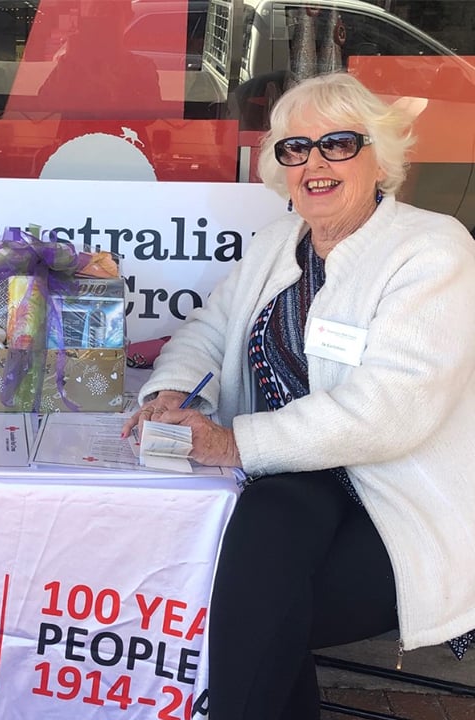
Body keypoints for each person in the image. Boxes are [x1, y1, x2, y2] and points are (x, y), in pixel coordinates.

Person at [122, 72, 475, 718]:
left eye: (338, 143)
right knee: (260, 558)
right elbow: (206, 328)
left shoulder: (432, 249)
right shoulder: (271, 246)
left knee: (245, 605)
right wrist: (171, 392)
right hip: (290, 489)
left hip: (395, 507)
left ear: (381, 158)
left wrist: (231, 442)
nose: (314, 162)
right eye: (295, 148)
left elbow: (389, 410)